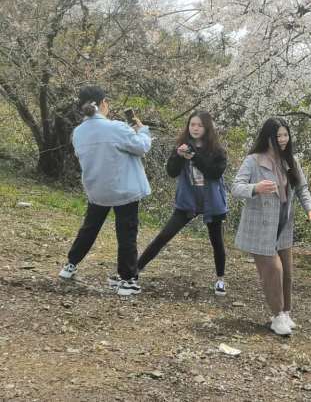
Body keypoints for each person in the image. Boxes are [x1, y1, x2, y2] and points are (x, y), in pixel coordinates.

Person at [232, 117, 311, 336]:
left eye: (285, 135)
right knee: (274, 270)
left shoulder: (291, 161)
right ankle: (277, 316)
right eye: (278, 135)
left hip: (282, 225)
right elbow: (235, 187)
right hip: (261, 227)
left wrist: (310, 210)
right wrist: (256, 188)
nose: (282, 139)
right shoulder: (253, 161)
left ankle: (286, 313)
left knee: (287, 272)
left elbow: (302, 189)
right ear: (268, 137)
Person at [59, 86, 151, 296]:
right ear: (103, 103)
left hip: (97, 190)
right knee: (126, 233)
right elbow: (142, 147)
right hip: (123, 190)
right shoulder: (116, 127)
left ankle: (70, 265)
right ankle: (127, 280)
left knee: (90, 227)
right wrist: (143, 130)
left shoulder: (78, 132)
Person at [137, 111, 229, 295]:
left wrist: (194, 157)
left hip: (211, 201)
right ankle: (136, 268)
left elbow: (214, 172)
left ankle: (220, 279)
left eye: (200, 125)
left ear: (207, 128)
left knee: (217, 241)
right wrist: (178, 156)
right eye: (192, 124)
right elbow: (171, 172)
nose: (195, 128)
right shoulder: (182, 146)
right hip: (188, 200)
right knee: (164, 235)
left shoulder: (217, 150)